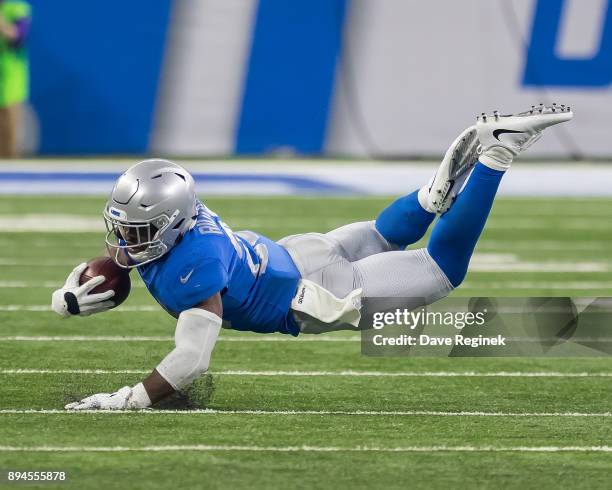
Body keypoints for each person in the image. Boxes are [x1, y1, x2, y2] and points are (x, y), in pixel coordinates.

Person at [51, 104, 573, 410]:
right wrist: (69, 298)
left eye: (138, 231)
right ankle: (428, 198)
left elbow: (191, 362)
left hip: (315, 294)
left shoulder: (194, 268)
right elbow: (123, 257)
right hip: (297, 253)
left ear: (172, 223)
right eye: (123, 228)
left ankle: (497, 155)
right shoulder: (185, 213)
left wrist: (129, 398)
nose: (124, 242)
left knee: (442, 269)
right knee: (381, 234)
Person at [0, 0, 30, 158]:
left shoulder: (18, 8)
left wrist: (2, 23)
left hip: (12, 82)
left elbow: (18, 37)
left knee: (9, 135)